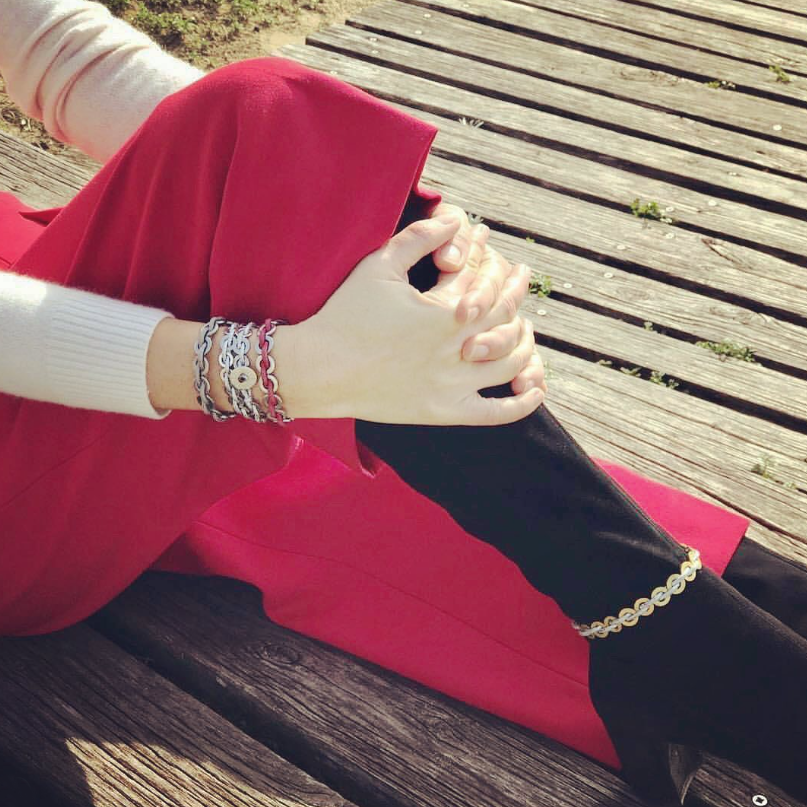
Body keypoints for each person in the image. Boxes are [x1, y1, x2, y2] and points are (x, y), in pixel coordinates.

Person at [1, 2, 806, 804]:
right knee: (270, 142)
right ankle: (709, 650)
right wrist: (263, 365)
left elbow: (62, 49)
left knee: (383, 436)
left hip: (40, 295)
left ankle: (719, 608)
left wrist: (374, 233)